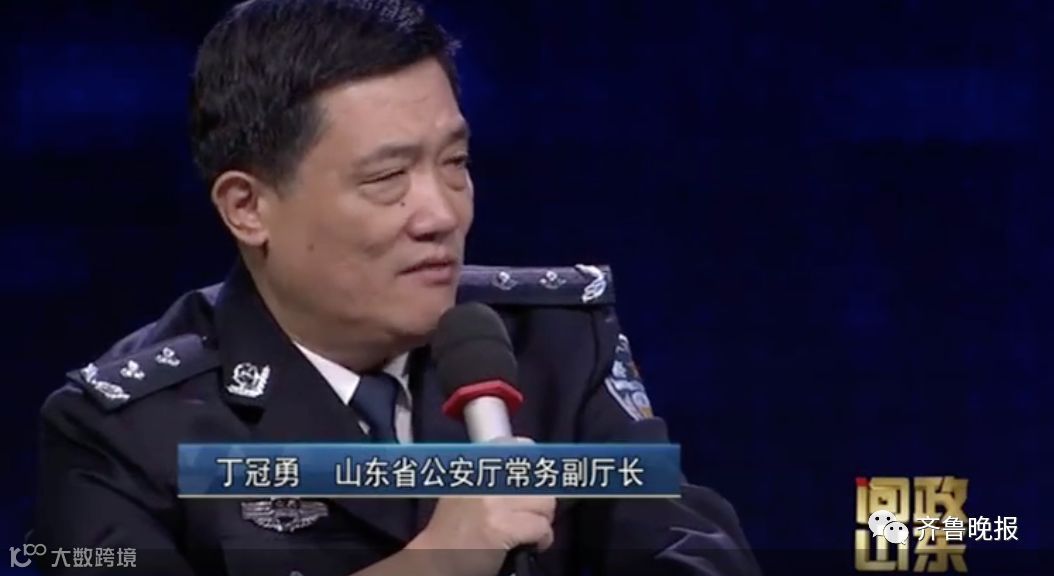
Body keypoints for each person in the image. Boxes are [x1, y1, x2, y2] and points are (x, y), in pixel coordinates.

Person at [34, 1, 760, 575]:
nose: (441, 214)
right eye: (387, 178)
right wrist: (438, 562)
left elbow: (697, 555)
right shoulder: (119, 433)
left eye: (455, 163)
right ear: (247, 207)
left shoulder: (556, 344)